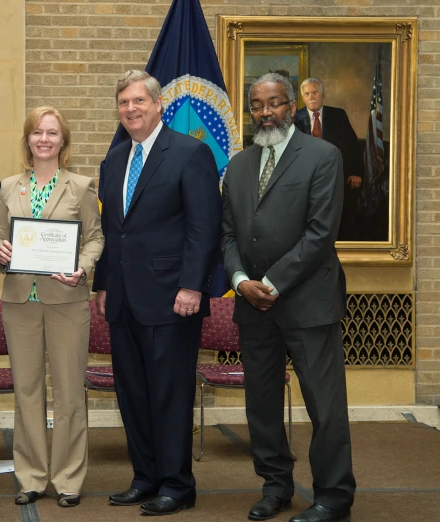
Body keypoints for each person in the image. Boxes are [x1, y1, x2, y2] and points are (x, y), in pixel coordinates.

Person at [221, 73, 355, 522]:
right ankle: (275, 485)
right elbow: (227, 234)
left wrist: (272, 283)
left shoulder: (322, 156)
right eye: (257, 105)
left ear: (292, 105)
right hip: (252, 305)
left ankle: (333, 496)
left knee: (325, 405)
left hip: (308, 303)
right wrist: (241, 279)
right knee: (261, 404)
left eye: (274, 103)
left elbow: (320, 233)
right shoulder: (239, 165)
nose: (265, 112)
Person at [92, 70, 221, 516]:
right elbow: (115, 233)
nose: (130, 109)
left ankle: (177, 484)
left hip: (172, 298)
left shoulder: (190, 153)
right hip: (124, 299)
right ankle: (145, 477)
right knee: (133, 393)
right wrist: (104, 283)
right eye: (123, 102)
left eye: (139, 101)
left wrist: (192, 286)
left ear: (158, 105)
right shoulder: (113, 161)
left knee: (169, 393)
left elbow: (204, 229)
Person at [0, 106, 103, 508]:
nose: (44, 139)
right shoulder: (8, 187)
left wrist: (83, 267)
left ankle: (70, 478)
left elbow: (95, 239)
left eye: (52, 133)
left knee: (70, 392)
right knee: (27, 391)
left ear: (63, 141)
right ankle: (32, 477)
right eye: (37, 132)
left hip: (67, 301)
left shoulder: (81, 186)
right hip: (20, 302)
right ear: (27, 140)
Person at [294, 78, 363, 241]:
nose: (311, 97)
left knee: (341, 219)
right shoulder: (295, 118)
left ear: (322, 94)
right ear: (303, 97)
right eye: (307, 93)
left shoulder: (338, 115)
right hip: (306, 178)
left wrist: (355, 172)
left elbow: (352, 146)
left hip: (334, 176)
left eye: (315, 92)